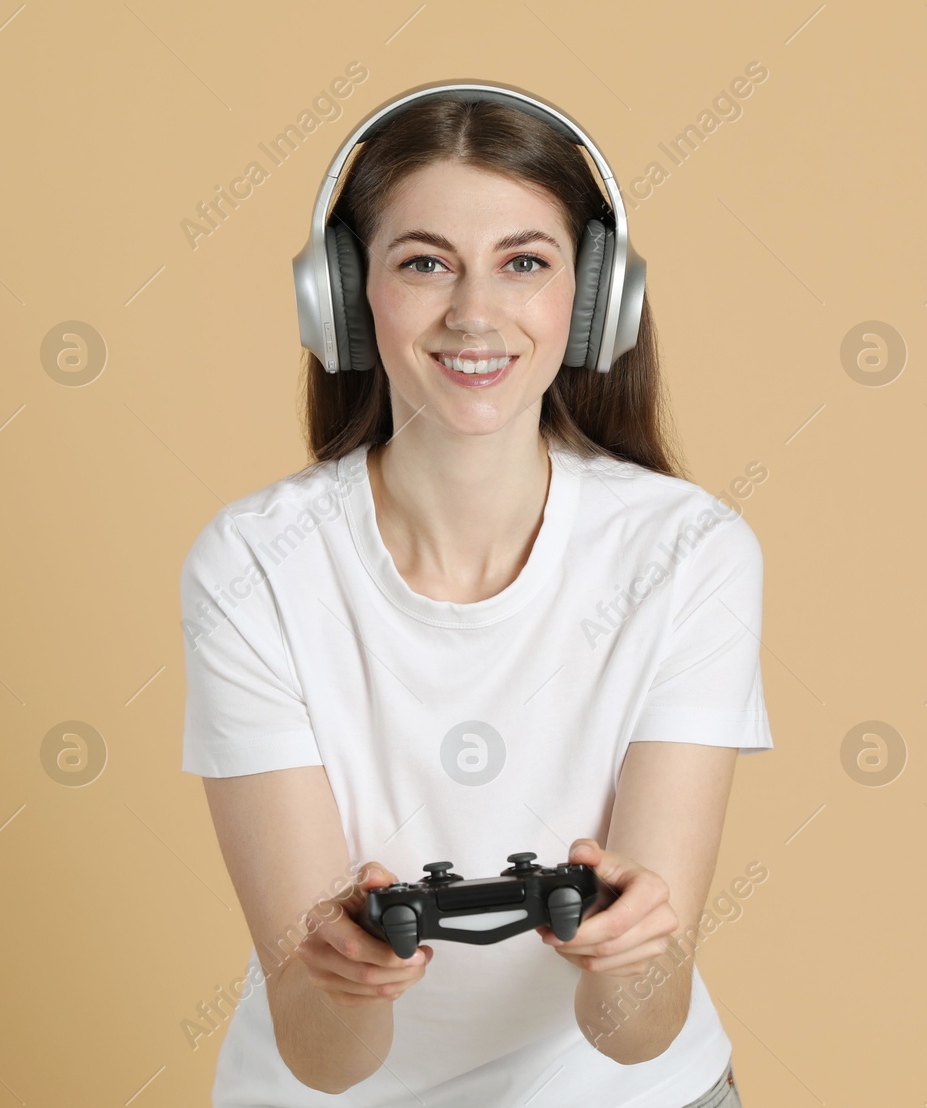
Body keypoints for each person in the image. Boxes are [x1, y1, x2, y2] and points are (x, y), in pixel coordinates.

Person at [179, 86, 770, 1107]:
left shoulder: (688, 552)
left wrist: (633, 950)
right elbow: (326, 1056)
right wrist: (345, 975)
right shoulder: (255, 564)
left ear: (591, 303)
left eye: (524, 263)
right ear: (342, 295)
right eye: (423, 263)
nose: (473, 313)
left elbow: (634, 1033)